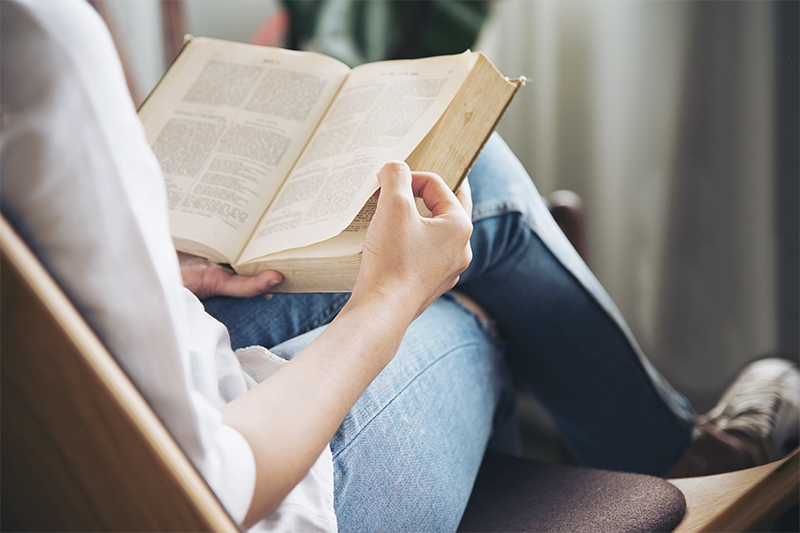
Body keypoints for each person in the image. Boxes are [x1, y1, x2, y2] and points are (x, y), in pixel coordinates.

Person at [1, 1, 798, 532]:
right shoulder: (36, 36)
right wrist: (389, 300)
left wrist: (153, 265)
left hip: (94, 396)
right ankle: (678, 452)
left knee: (463, 190)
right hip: (237, 492)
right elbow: (214, 484)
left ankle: (669, 442)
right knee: (466, 293)